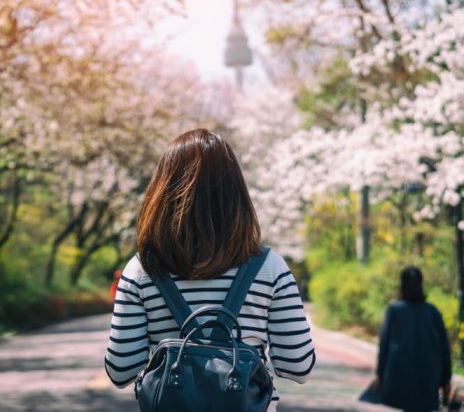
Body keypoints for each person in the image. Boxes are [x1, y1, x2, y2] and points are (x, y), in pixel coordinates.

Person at [104, 129, 315, 412]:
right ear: (235, 194)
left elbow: (121, 371)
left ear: (162, 191)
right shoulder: (269, 267)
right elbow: (297, 366)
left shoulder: (142, 268)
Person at [375, 266, 452, 412]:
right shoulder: (432, 311)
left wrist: (380, 374)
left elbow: (384, 345)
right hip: (428, 374)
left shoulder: (394, 310)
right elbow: (444, 347)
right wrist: (446, 377)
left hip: (399, 373)